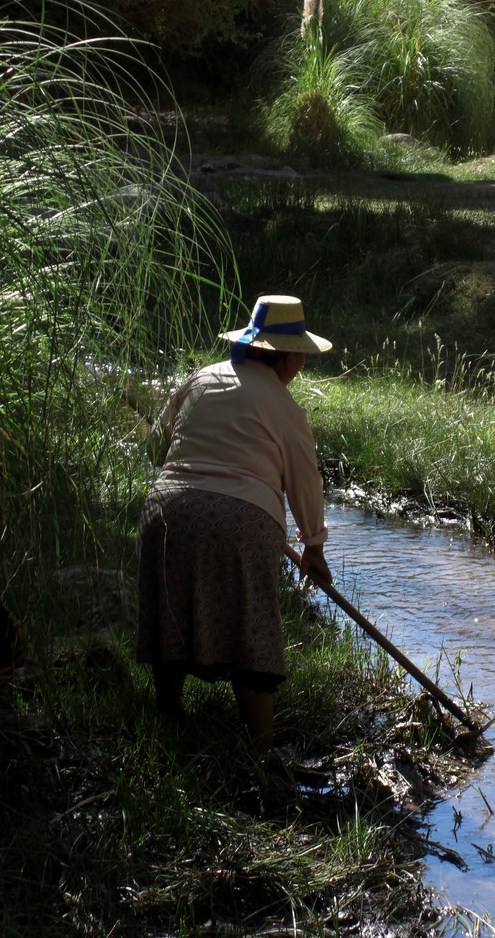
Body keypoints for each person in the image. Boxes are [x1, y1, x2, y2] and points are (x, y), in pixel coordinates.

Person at [136, 295, 332, 754]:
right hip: (241, 522)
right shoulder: (285, 407)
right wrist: (314, 547)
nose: (302, 363)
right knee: (252, 631)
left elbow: (157, 447)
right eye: (300, 354)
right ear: (284, 358)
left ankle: (170, 719)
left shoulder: (200, 379)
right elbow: (306, 481)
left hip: (166, 510)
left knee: (171, 613)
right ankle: (261, 752)